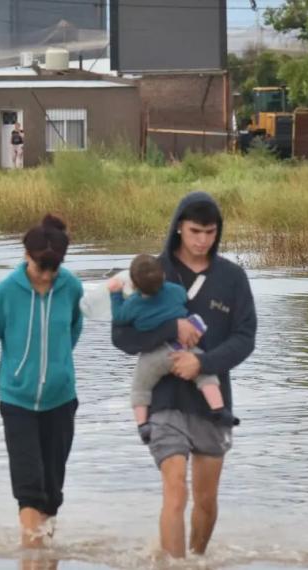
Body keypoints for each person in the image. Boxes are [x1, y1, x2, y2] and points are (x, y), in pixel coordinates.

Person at [111, 191, 256, 559]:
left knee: (206, 502)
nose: (202, 240)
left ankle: (196, 558)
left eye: (210, 232)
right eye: (194, 231)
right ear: (179, 227)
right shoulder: (149, 271)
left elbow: (245, 339)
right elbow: (122, 337)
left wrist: (203, 364)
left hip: (211, 401)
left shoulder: (232, 278)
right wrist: (170, 329)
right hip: (164, 400)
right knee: (176, 490)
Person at [0, 214, 84, 548]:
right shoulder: (6, 292)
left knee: (52, 494)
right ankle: (33, 556)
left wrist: (58, 366)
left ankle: (45, 556)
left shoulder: (71, 287)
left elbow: (73, 330)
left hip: (61, 401)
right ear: (26, 256)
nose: (46, 275)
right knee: (29, 490)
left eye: (53, 269)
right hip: (17, 402)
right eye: (41, 267)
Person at [91, 253, 238, 445]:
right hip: (183, 349)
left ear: (133, 284)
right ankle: (219, 409)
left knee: (140, 387)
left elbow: (119, 317)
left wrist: (116, 294)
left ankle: (143, 425)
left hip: (153, 355)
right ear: (163, 276)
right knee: (205, 375)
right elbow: (185, 298)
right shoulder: (176, 291)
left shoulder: (133, 304)